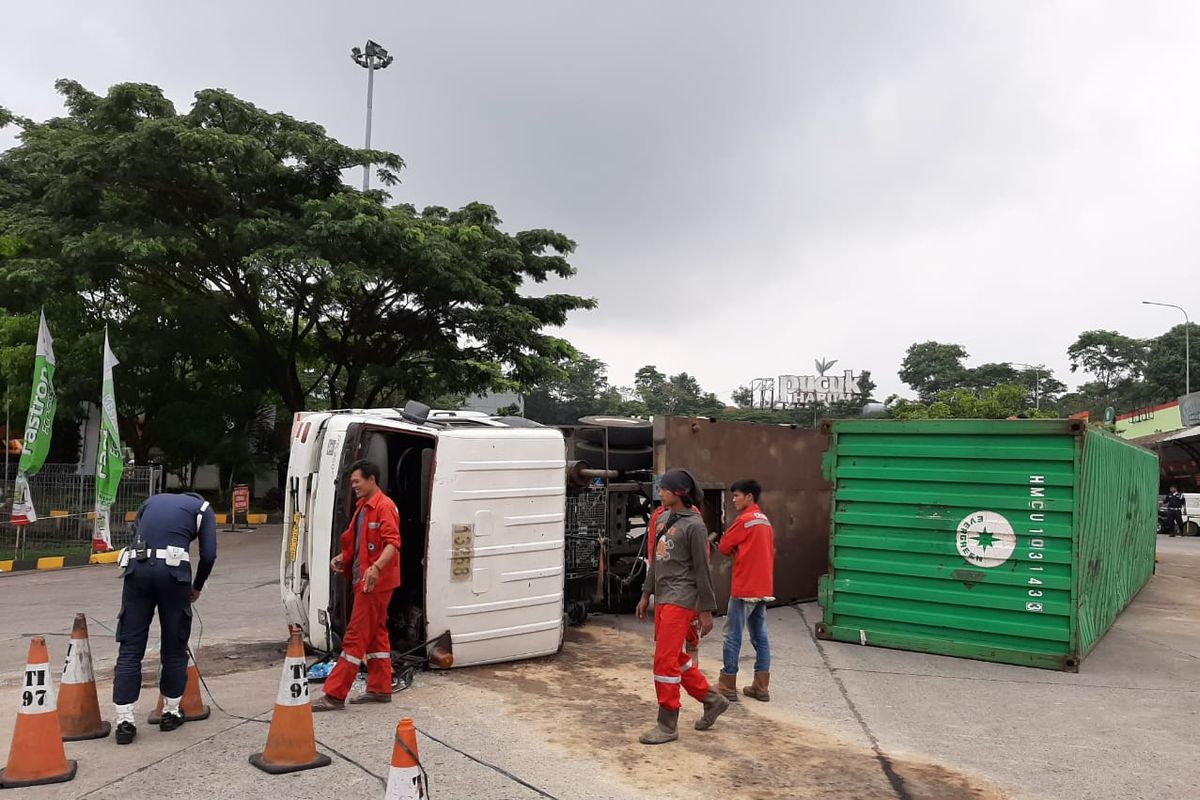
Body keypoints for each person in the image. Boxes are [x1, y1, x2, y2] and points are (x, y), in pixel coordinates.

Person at [112, 491, 217, 745]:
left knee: (130, 647)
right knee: (174, 644)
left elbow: (136, 533)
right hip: (173, 575)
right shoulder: (203, 508)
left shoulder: (150, 502)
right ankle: (170, 712)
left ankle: (124, 721)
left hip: (137, 570)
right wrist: (197, 585)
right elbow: (209, 554)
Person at [635, 469, 728, 745]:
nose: (659, 493)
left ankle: (667, 724)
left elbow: (702, 570)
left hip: (681, 599)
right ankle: (712, 700)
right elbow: (656, 560)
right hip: (663, 598)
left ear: (679, 493)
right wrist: (646, 594)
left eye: (664, 489)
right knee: (673, 657)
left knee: (664, 661)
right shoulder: (663, 518)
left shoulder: (695, 526)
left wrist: (706, 610)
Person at [313, 459, 401, 711]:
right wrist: (344, 558)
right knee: (376, 635)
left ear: (371, 479)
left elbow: (392, 544)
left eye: (357, 481)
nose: (354, 486)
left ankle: (334, 695)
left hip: (374, 585)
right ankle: (380, 689)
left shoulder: (384, 507)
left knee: (354, 638)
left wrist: (375, 569)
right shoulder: (363, 507)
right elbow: (358, 543)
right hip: (364, 581)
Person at [715, 479, 775, 702]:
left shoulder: (745, 520)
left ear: (749, 497)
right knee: (761, 636)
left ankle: (727, 684)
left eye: (736, 496)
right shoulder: (765, 521)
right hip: (763, 587)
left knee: (732, 635)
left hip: (744, 588)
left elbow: (723, 547)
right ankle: (761, 687)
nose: (733, 499)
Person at [646, 498, 704, 669]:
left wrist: (704, 603)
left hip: (684, 591)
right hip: (663, 588)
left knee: (690, 641)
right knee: (667, 644)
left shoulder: (692, 517)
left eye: (665, 489)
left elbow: (701, 560)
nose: (661, 494)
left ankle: (690, 679)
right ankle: (686, 679)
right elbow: (653, 553)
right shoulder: (659, 516)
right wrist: (648, 590)